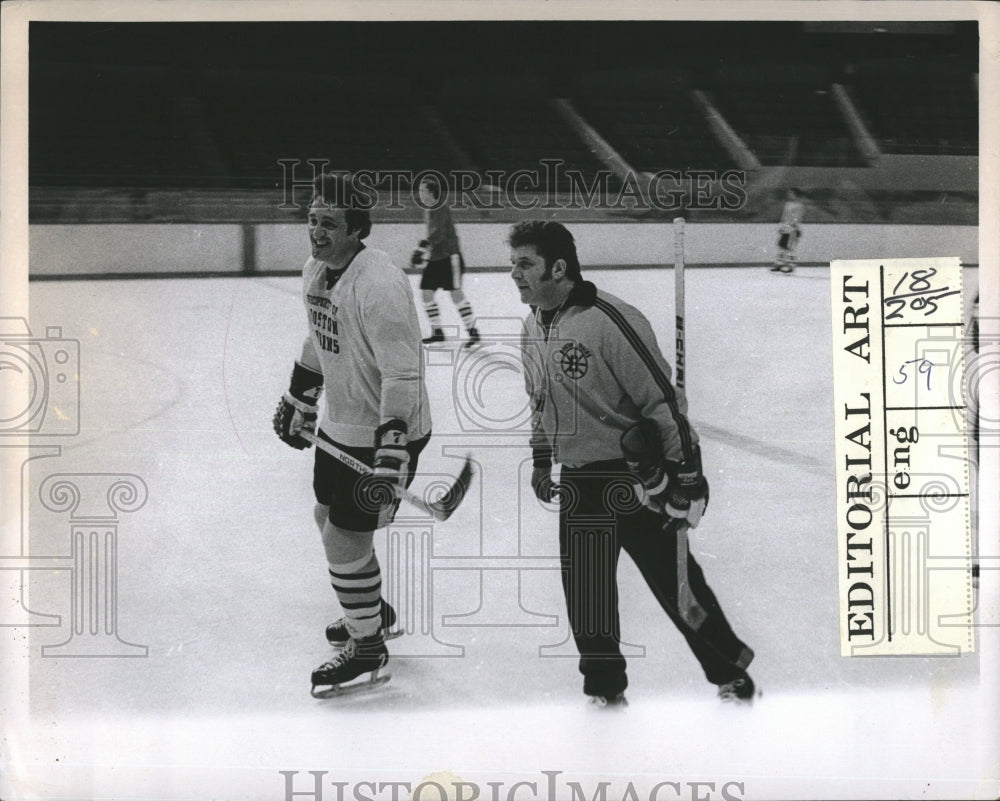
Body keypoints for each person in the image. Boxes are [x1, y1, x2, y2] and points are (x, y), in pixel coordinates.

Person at [511, 220, 756, 707]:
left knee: (677, 585)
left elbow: (661, 403)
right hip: (579, 481)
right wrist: (542, 459)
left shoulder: (610, 319)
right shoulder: (532, 327)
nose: (514, 274)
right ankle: (605, 691)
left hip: (636, 477)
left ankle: (730, 671)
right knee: (587, 597)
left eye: (525, 264)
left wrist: (687, 475)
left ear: (558, 268)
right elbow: (538, 401)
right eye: (512, 264)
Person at [273, 171, 432, 695]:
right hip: (341, 426)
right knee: (329, 519)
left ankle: (367, 647)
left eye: (329, 223)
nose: (316, 232)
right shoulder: (316, 271)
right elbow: (321, 337)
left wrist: (392, 449)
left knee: (344, 537)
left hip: (386, 430)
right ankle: (371, 610)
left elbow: (403, 373)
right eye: (313, 220)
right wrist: (300, 397)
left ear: (356, 228)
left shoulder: (379, 284)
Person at [411, 176, 480, 347]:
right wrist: (423, 249)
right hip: (435, 258)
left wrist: (421, 249)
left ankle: (473, 331)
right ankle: (437, 332)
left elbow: (438, 234)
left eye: (422, 190)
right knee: (426, 292)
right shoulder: (428, 210)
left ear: (431, 192)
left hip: (450, 257)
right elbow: (432, 235)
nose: (419, 194)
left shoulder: (440, 208)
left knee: (456, 294)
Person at [771, 188, 805, 273]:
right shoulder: (788, 204)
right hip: (785, 228)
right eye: (789, 193)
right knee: (781, 245)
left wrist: (793, 225)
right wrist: (782, 225)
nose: (789, 195)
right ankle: (779, 263)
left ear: (796, 195)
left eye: (791, 193)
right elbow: (784, 216)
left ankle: (791, 265)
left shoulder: (799, 205)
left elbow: (797, 217)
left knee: (789, 247)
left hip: (792, 229)